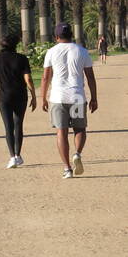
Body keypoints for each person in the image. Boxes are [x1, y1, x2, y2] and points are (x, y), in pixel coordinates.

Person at [41, 22, 98, 179]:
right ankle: (77, 154)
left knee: (61, 132)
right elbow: (90, 77)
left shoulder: (51, 52)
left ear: (56, 36)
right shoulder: (82, 51)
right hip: (77, 96)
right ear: (71, 35)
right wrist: (94, 97)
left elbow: (46, 77)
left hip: (58, 98)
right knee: (80, 129)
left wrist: (43, 98)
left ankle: (67, 168)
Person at [0, 32, 35, 168]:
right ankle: (18, 155)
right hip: (20, 96)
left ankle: (12, 157)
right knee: (18, 125)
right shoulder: (22, 58)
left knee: (8, 127)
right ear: (15, 45)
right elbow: (28, 79)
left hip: (4, 96)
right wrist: (34, 96)